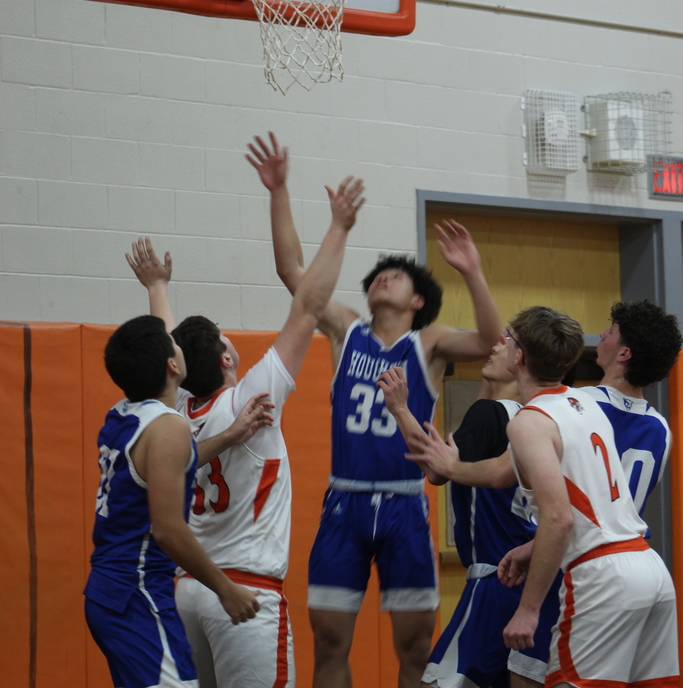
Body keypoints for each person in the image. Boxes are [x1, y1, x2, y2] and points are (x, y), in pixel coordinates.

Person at [246, 132, 503, 688]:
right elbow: (293, 274)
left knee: (414, 649)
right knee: (329, 642)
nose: (384, 276)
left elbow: (490, 340)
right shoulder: (348, 330)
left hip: (406, 504)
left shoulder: (427, 343)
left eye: (397, 275)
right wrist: (279, 191)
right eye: (378, 275)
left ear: (417, 300)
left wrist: (473, 271)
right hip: (346, 500)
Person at [127, 175, 365, 688]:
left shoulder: (176, 410)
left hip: (189, 588)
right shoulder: (251, 400)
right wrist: (338, 228)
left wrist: (157, 289)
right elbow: (307, 305)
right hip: (243, 592)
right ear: (226, 358)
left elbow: (168, 346)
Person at [408, 300, 682, 688]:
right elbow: (518, 477)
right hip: (647, 565)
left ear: (519, 356)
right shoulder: (610, 413)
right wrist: (528, 546)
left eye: (510, 338)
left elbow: (555, 515)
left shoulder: (555, 412)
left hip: (594, 571)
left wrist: (528, 608)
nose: (501, 342)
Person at [84, 314, 260, 688]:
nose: (178, 343)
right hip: (136, 591)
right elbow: (168, 531)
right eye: (174, 343)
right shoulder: (168, 426)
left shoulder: (122, 413)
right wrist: (225, 589)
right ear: (172, 366)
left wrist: (230, 436)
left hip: (107, 589)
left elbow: (168, 463)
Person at [378, 347, 560, 688]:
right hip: (539, 581)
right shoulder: (540, 421)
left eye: (508, 341)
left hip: (495, 578)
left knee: (435, 683)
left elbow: (437, 470)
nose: (496, 347)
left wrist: (400, 409)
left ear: (521, 361)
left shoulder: (489, 415)